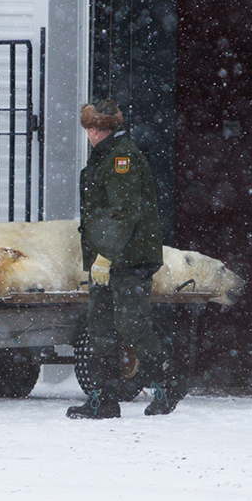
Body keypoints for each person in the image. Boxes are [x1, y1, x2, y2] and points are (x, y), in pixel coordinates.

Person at [72, 98, 180, 419]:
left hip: (129, 257)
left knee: (131, 324)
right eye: (90, 127)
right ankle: (103, 397)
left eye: (98, 127)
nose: (92, 133)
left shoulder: (122, 157)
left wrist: (106, 254)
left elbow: (125, 212)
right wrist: (99, 256)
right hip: (106, 258)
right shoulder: (102, 157)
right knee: (100, 326)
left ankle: (165, 385)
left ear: (109, 128)